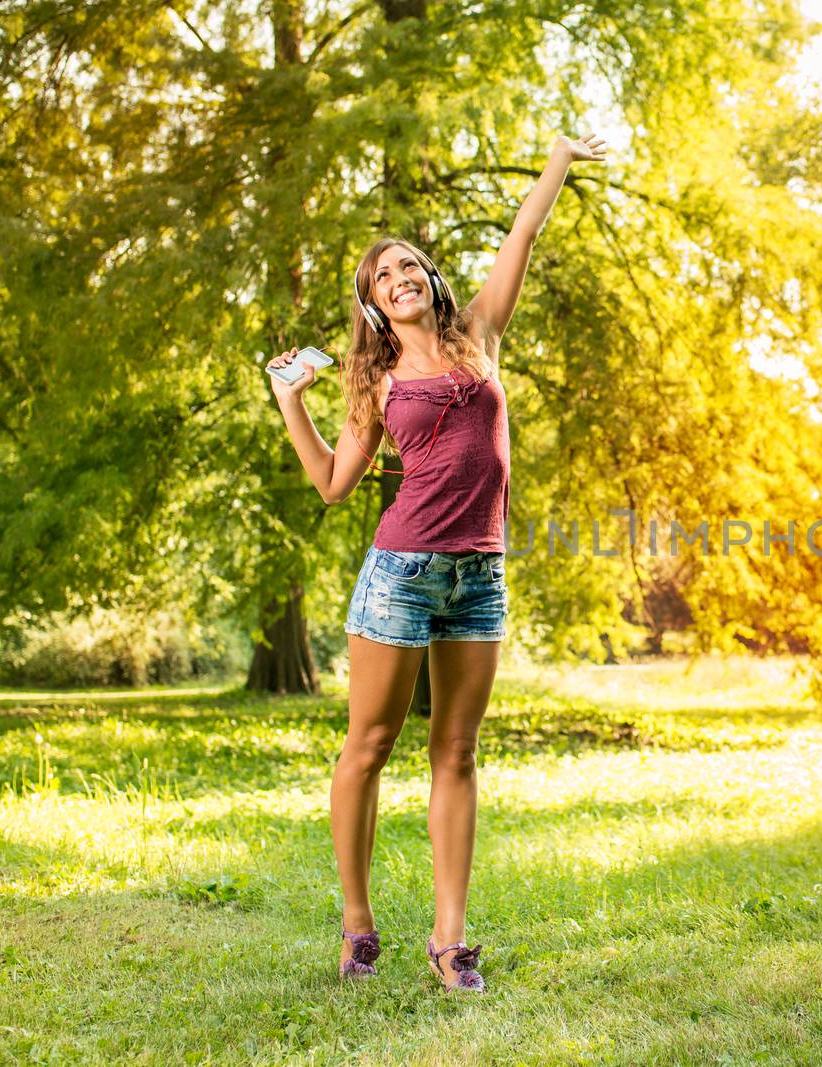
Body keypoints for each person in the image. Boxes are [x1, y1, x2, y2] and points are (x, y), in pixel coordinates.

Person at [266, 132, 608, 993]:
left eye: (408, 265)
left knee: (456, 751)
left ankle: (449, 942)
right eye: (383, 276)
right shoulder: (373, 380)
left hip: (479, 576)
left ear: (430, 278)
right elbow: (336, 484)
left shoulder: (479, 334)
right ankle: (357, 924)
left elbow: (521, 235)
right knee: (370, 744)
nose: (400, 277)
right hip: (402, 573)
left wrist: (559, 157)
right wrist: (289, 404)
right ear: (374, 305)